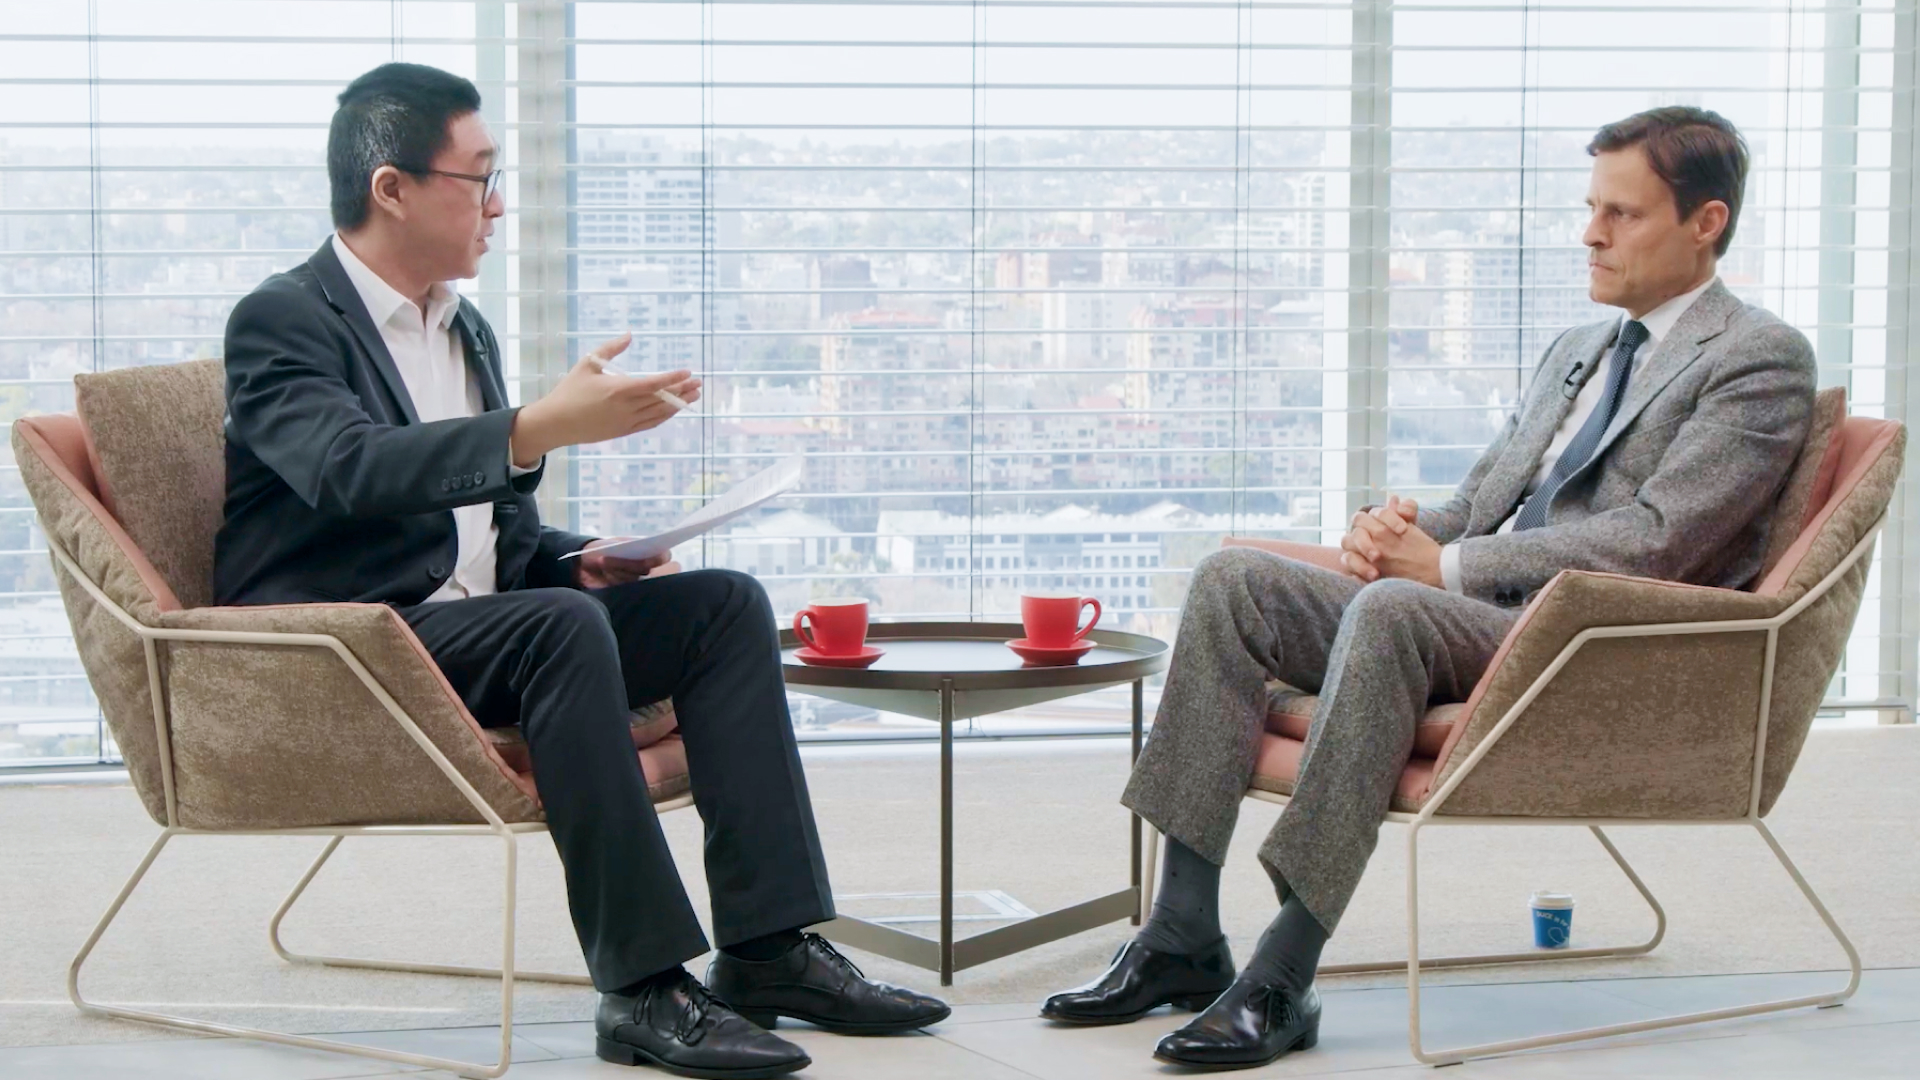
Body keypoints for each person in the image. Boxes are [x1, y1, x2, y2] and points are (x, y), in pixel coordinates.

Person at [1040, 106, 1816, 1070]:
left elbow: (1658, 543)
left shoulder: (1757, 358)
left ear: (1706, 222)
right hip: (1469, 613)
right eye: (1590, 208)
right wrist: (1396, 534)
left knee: (1394, 608)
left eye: (1622, 214)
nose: (1591, 233)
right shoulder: (1578, 347)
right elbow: (1481, 503)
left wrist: (1439, 570)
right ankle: (1181, 935)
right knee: (1233, 580)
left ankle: (1283, 974)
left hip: (1581, 642)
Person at [216, 63, 948, 1080]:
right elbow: (346, 470)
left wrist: (579, 558)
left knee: (722, 606)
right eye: (480, 177)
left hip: (481, 633)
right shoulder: (284, 319)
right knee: (558, 626)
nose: (498, 205)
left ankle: (769, 949)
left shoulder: (461, 325)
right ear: (393, 188)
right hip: (351, 647)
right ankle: (642, 987)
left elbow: (494, 532)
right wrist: (537, 426)